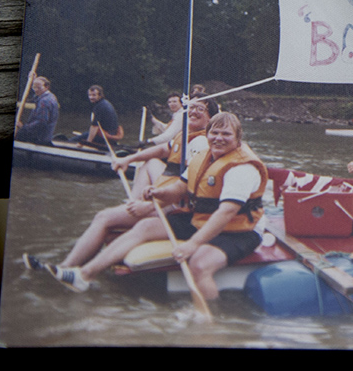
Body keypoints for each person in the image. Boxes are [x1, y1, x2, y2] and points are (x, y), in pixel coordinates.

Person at [46, 112, 268, 301]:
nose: (219, 138)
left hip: (239, 231)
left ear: (238, 138)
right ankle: (83, 275)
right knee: (145, 226)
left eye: (226, 134)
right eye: (214, 133)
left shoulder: (241, 168)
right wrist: (158, 194)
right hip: (203, 220)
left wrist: (192, 244)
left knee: (199, 264)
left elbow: (226, 212)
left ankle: (210, 324)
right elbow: (179, 188)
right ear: (208, 134)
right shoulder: (203, 156)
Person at [24, 97, 218, 273]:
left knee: (103, 217)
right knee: (148, 162)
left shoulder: (201, 142)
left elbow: (187, 187)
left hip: (172, 206)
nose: (193, 111)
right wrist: (129, 159)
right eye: (191, 107)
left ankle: (67, 268)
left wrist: (150, 206)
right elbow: (160, 151)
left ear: (210, 119)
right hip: (166, 199)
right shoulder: (184, 135)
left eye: (200, 109)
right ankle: (131, 204)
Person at [15, 75, 59, 145]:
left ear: (46, 87)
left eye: (39, 88)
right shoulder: (51, 96)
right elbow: (36, 96)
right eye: (34, 87)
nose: (36, 90)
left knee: (18, 135)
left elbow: (41, 122)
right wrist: (33, 80)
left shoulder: (44, 101)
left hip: (39, 138)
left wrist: (23, 127)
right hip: (46, 137)